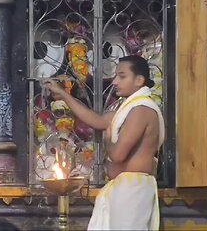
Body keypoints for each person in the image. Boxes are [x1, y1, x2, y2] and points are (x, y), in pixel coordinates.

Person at [43, 55, 165, 230]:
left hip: (133, 191)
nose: (114, 81)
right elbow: (97, 120)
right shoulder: (129, 107)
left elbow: (117, 155)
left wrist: (108, 140)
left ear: (139, 80)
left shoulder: (142, 110)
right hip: (123, 189)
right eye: (115, 76)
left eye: (122, 76)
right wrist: (63, 94)